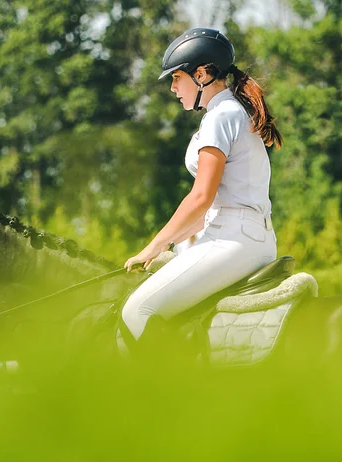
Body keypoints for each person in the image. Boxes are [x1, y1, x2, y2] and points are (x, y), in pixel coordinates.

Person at [120, 27, 282, 353]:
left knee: (137, 311)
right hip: (250, 237)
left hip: (232, 240)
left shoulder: (221, 117)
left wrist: (153, 247)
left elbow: (200, 197)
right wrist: (173, 243)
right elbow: (210, 208)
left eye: (177, 78)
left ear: (202, 74)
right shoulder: (233, 111)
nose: (172, 87)